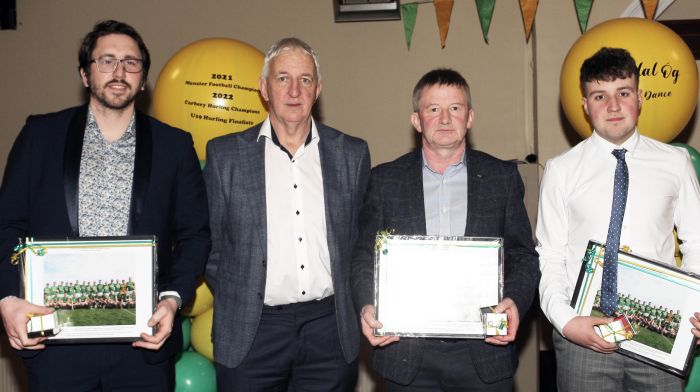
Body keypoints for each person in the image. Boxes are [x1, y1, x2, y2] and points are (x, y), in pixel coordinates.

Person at [0, 20, 210, 391]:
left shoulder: (174, 146)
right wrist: (7, 298)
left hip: (142, 343)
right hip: (54, 342)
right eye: (106, 60)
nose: (119, 71)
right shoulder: (40, 135)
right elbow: (7, 224)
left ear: (142, 79)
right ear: (85, 74)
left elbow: (195, 235)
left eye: (131, 63)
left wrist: (173, 299)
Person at [352, 68, 540, 391]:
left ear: (469, 117)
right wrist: (368, 304)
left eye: (455, 108)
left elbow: (523, 255)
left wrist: (514, 300)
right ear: (416, 120)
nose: (444, 118)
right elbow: (362, 257)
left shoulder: (502, 177)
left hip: (483, 355)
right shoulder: (385, 180)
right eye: (433, 109)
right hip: (407, 354)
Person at [203, 37, 370, 391]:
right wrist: (244, 291)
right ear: (264, 88)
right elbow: (211, 247)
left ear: (318, 89)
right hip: (253, 331)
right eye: (282, 79)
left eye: (305, 79)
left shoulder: (351, 155)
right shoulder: (225, 156)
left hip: (329, 329)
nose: (294, 90)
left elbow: (359, 242)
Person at [537, 47, 700, 391]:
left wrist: (695, 307)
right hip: (584, 332)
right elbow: (550, 257)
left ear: (639, 98)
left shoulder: (676, 162)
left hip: (661, 334)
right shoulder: (561, 170)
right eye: (600, 96)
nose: (613, 107)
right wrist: (567, 323)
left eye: (623, 93)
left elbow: (696, 240)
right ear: (585, 104)